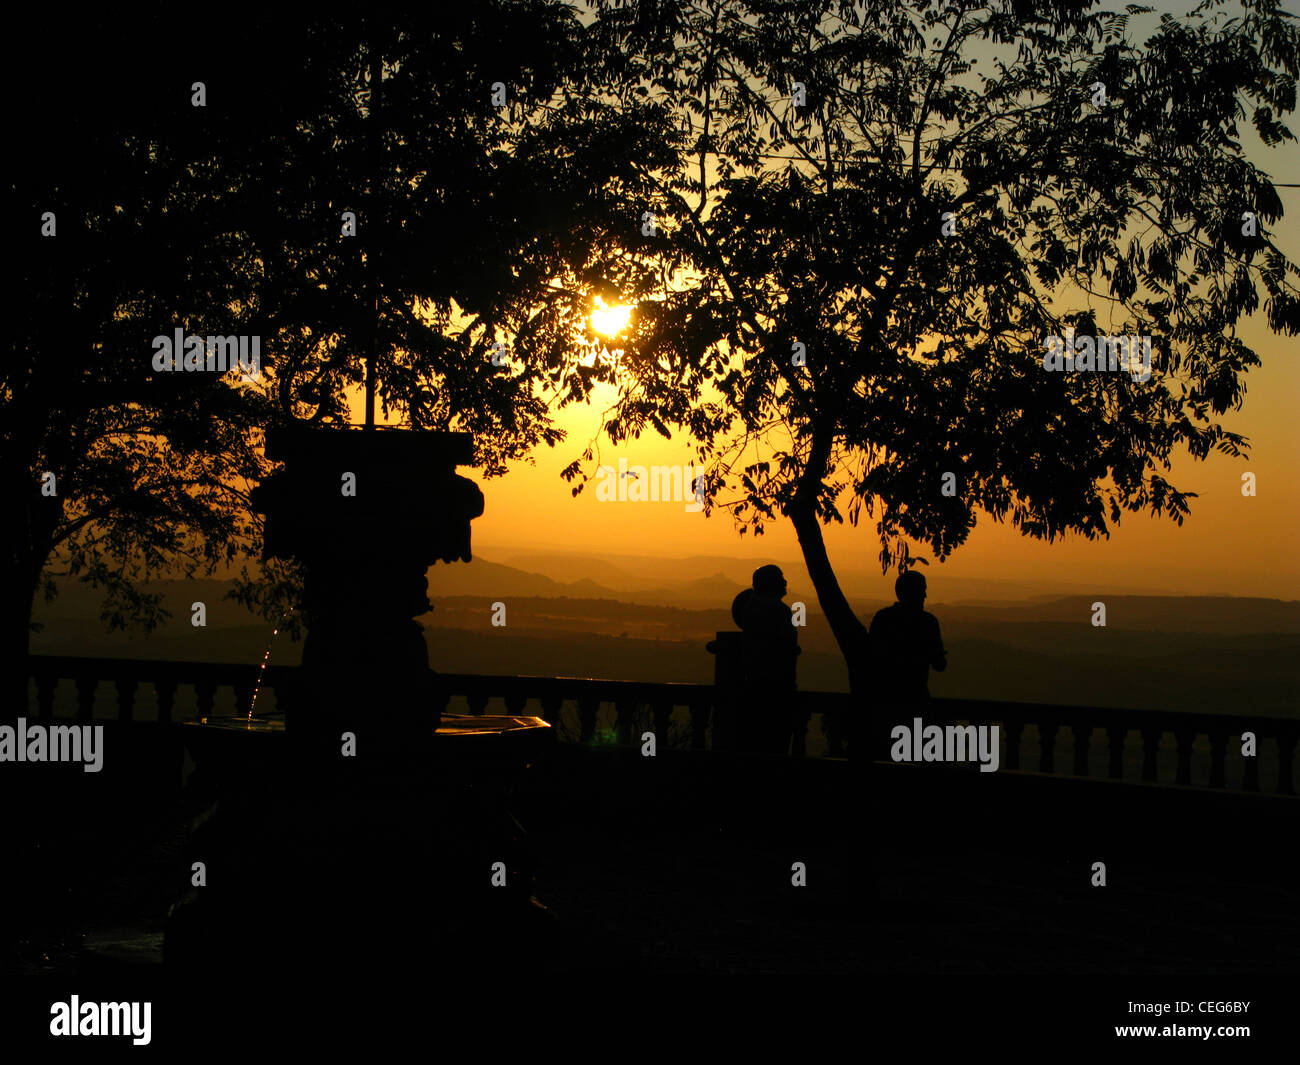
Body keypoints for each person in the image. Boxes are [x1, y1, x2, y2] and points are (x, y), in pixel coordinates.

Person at [735, 565, 800, 754]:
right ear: (770, 584)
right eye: (780, 578)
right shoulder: (777, 611)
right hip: (775, 692)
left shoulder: (752, 610)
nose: (785, 582)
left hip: (756, 690)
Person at [869, 570, 947, 705]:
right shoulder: (928, 622)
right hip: (917, 698)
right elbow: (939, 665)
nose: (925, 595)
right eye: (922, 590)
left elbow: (872, 657)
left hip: (884, 698)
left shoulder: (883, 618)